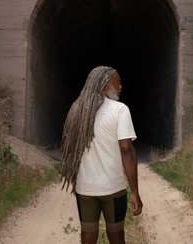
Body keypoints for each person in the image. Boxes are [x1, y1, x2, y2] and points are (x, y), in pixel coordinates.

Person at [60, 66, 143, 244]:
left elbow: (68, 148)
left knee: (88, 236)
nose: (121, 87)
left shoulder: (77, 109)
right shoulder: (120, 110)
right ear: (105, 84)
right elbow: (126, 149)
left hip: (85, 189)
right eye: (118, 81)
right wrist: (135, 192)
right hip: (113, 189)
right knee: (116, 236)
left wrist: (74, 178)